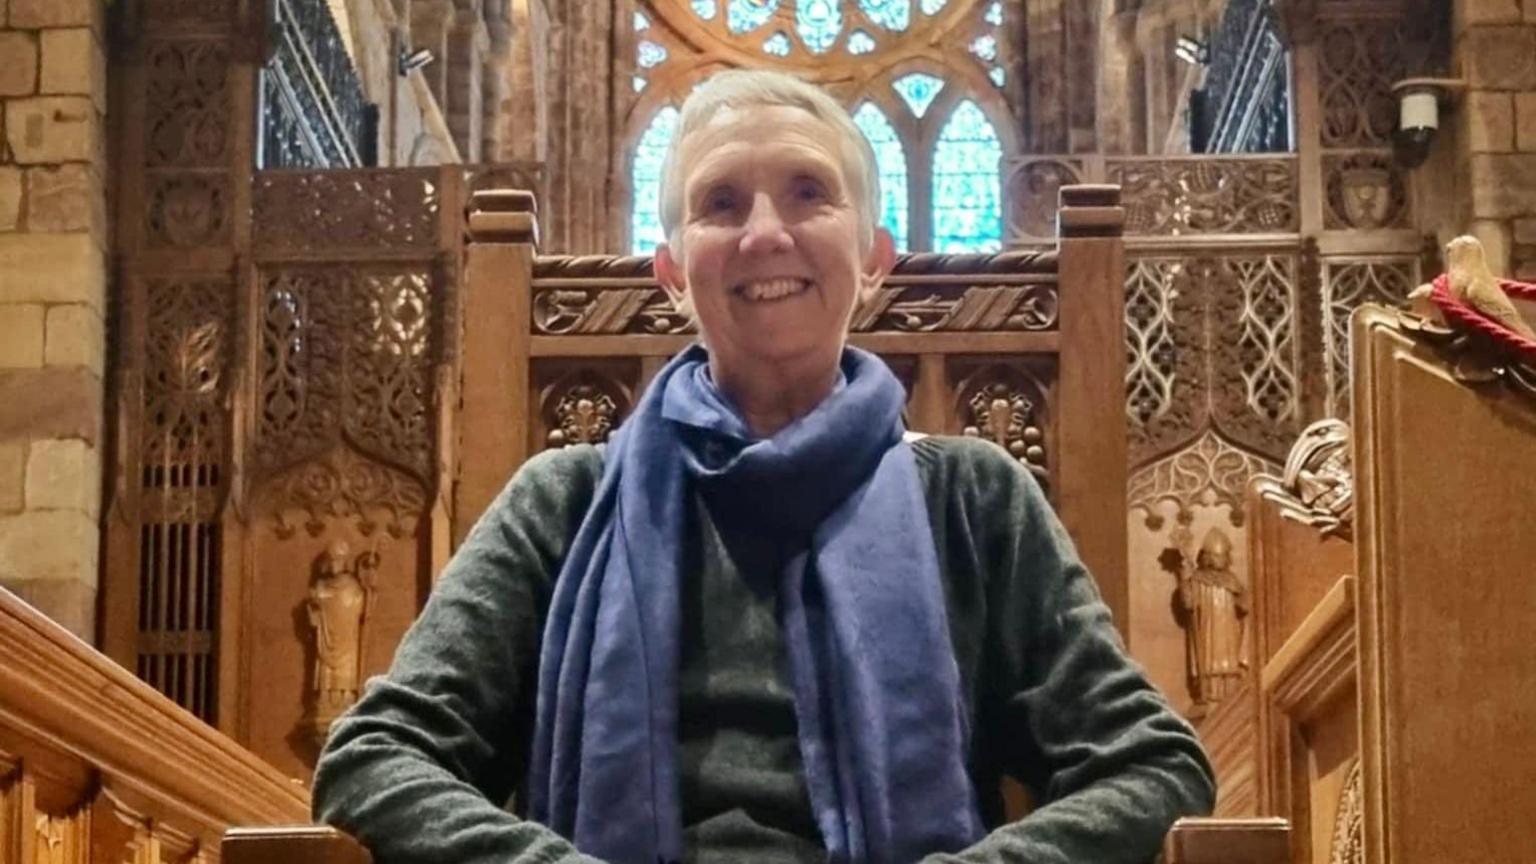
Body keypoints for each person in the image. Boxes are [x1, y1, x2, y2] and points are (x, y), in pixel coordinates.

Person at [312, 69, 1214, 864]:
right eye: (722, 203)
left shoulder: (972, 501)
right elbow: (376, 758)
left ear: (873, 261)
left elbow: (1152, 766)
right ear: (670, 274)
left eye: (808, 193)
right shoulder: (565, 503)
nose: (764, 234)